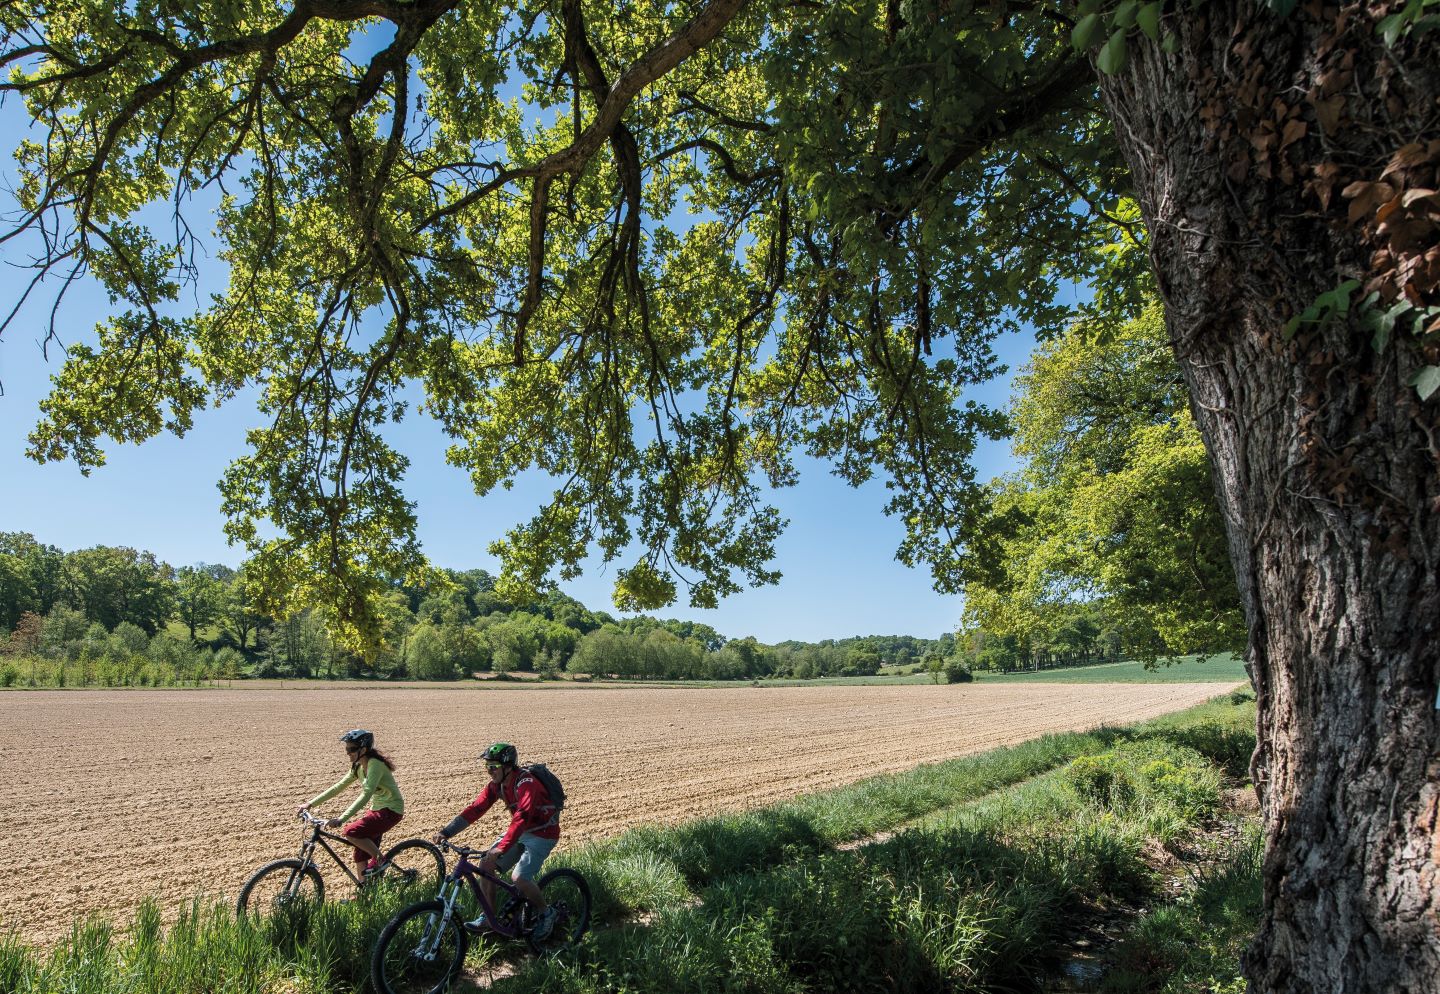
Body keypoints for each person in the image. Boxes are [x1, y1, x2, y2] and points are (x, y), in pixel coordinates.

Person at [433, 741, 560, 939]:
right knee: (485, 864)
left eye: (493, 766)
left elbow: (522, 817)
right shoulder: (497, 786)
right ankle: (489, 919)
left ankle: (547, 912)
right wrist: (447, 832)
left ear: (508, 767)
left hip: (543, 834)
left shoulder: (526, 783)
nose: (489, 771)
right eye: (487, 766)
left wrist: (501, 848)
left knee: (520, 878)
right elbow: (476, 809)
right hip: (521, 832)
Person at [299, 729, 405, 881]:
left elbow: (366, 794)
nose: (348, 753)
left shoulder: (375, 765)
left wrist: (341, 818)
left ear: (364, 749)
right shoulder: (358, 767)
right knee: (360, 854)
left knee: (351, 832)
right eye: (347, 749)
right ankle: (365, 890)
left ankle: (381, 860)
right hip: (377, 809)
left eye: (352, 749)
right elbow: (338, 787)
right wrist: (310, 803)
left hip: (391, 810)